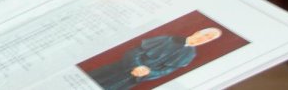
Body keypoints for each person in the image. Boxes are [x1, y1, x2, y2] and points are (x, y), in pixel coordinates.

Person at [85, 27, 222, 89]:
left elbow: (164, 72)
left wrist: (148, 73)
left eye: (209, 38)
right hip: (117, 69)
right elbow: (133, 52)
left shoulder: (190, 55)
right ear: (197, 32)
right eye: (205, 35)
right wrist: (136, 66)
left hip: (130, 81)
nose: (205, 39)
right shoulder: (167, 39)